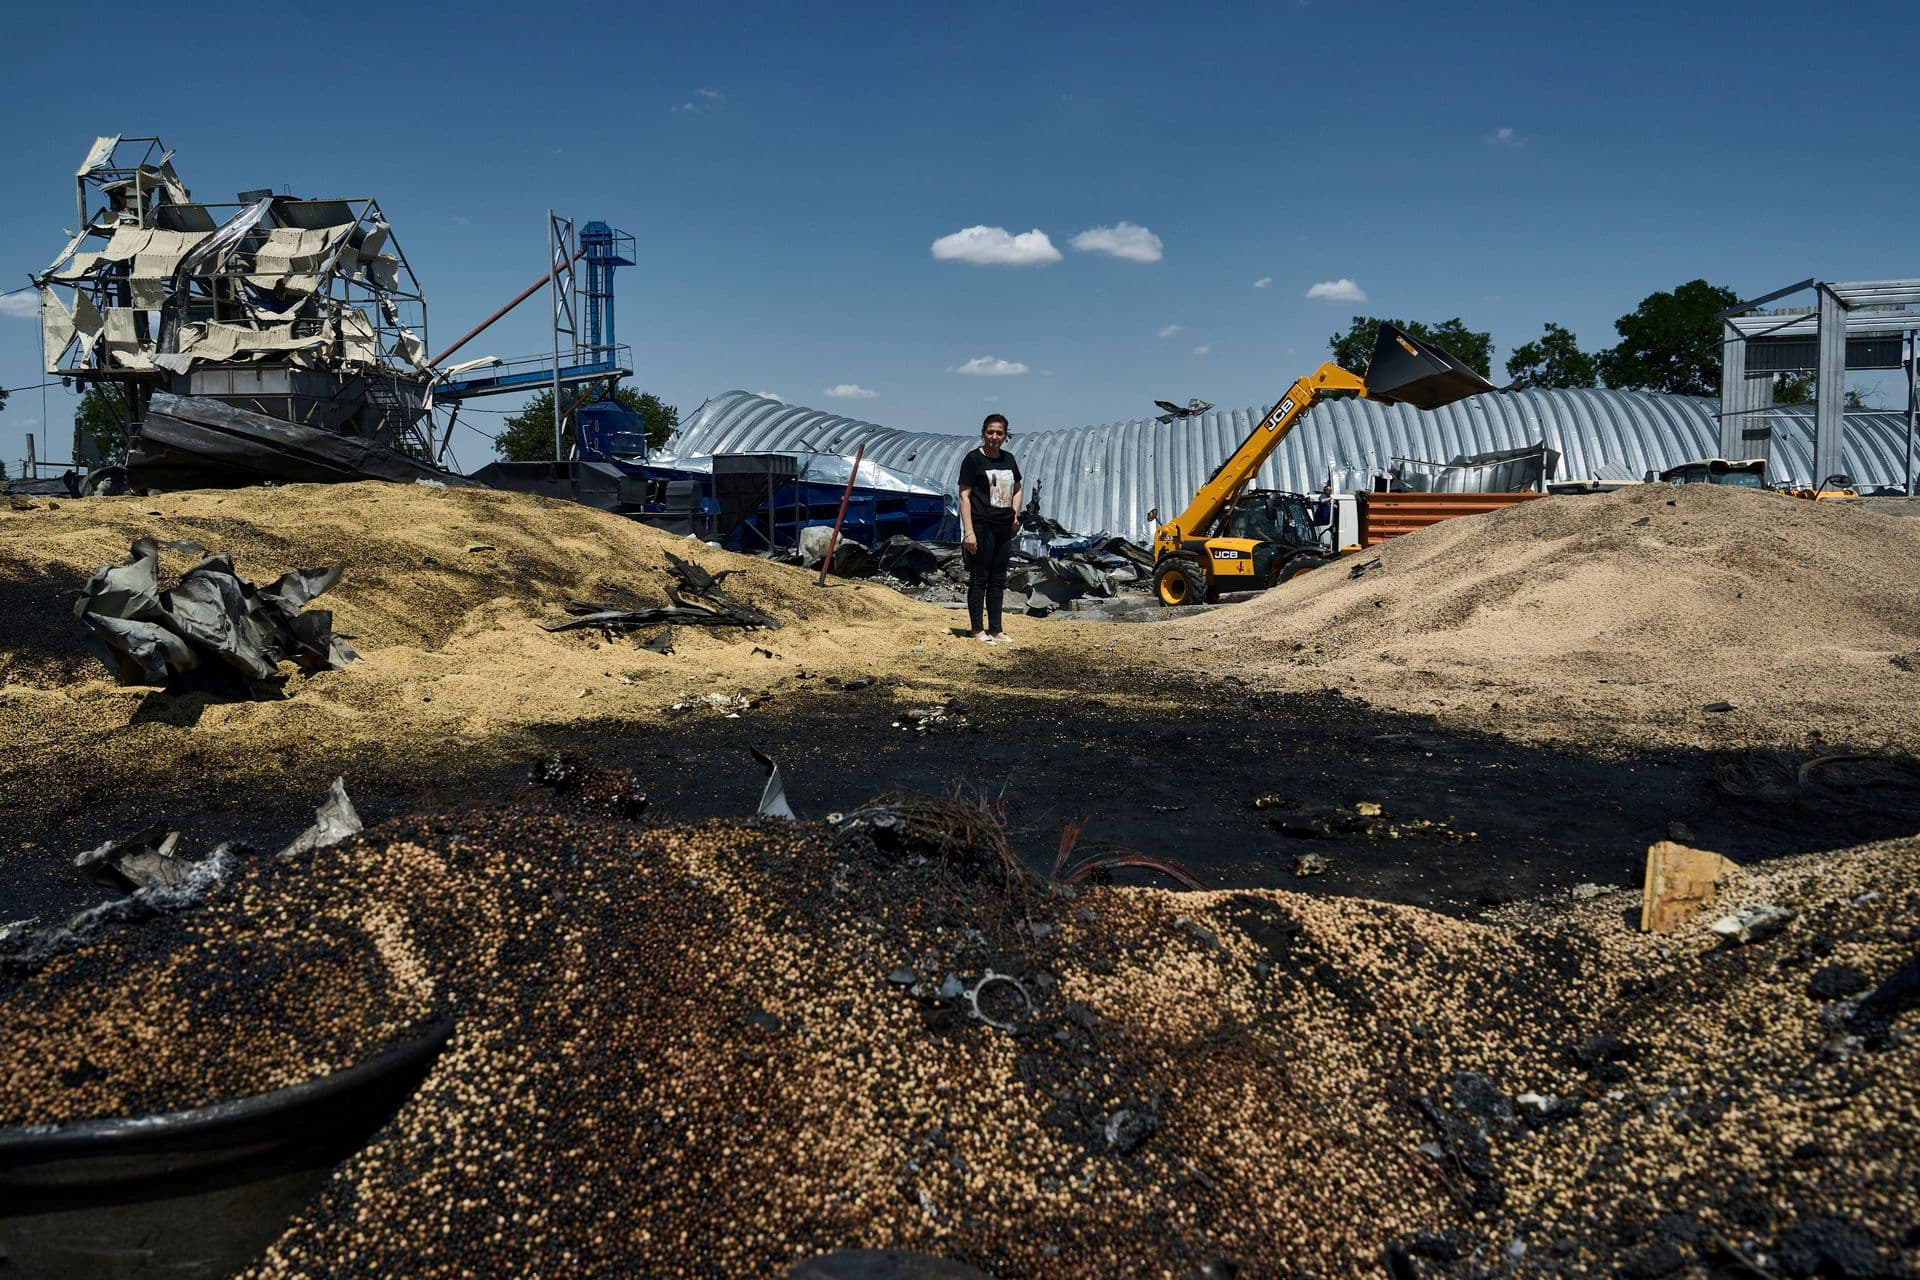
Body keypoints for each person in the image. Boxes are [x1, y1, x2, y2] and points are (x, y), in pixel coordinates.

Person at [957, 413, 1023, 644]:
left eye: (999, 433)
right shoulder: (973, 460)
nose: (995, 437)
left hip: (1003, 526)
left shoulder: (1009, 459)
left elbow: (1017, 488)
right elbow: (964, 497)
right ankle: (977, 630)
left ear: (1006, 435)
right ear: (983, 433)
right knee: (979, 578)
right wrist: (969, 531)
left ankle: (996, 628)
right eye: (990, 432)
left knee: (998, 579)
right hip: (981, 525)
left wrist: (1015, 514)